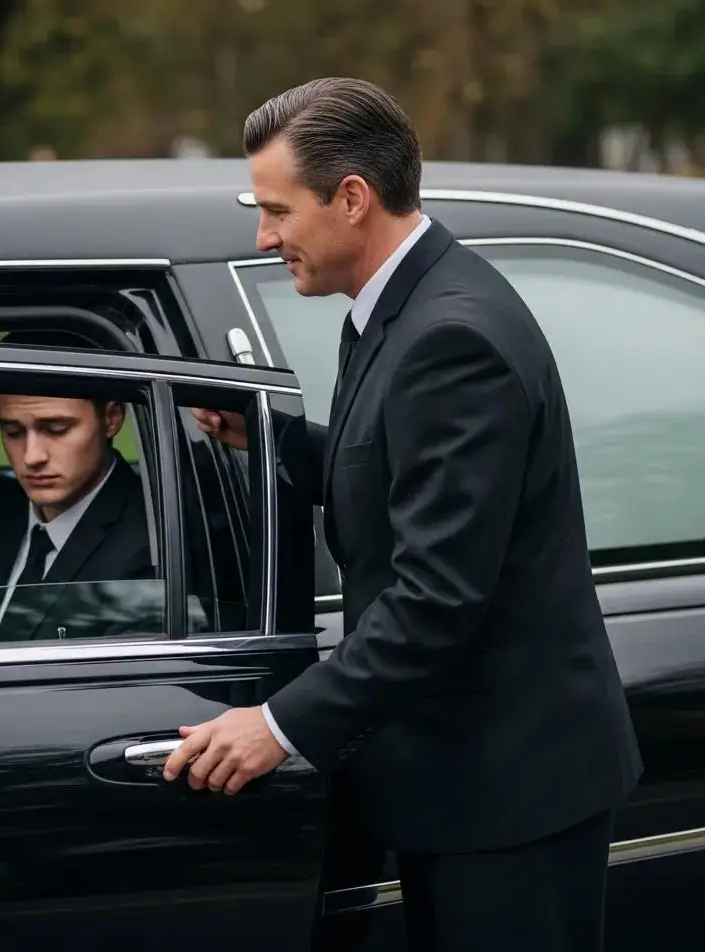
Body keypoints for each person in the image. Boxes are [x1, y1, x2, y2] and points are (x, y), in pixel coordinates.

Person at [163, 78, 642, 951]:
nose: (264, 237)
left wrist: (278, 726)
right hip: (467, 785)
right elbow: (398, 468)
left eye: (276, 211)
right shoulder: (404, 308)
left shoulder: (450, 338)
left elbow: (436, 597)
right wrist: (271, 440)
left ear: (352, 198)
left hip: (510, 798)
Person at [0, 394, 155, 639]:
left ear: (112, 419)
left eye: (57, 430)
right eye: (13, 432)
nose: (31, 457)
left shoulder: (156, 539)